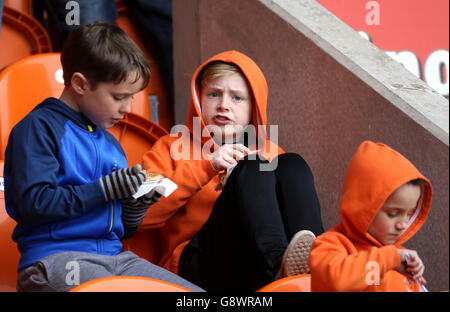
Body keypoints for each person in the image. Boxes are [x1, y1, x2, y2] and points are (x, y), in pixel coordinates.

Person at [3, 21, 202, 292]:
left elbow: (119, 226)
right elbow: (34, 204)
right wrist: (105, 190)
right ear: (80, 84)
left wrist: (136, 207)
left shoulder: (111, 144)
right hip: (55, 260)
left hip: (115, 259)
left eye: (132, 98)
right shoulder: (38, 128)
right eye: (119, 97)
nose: (128, 109)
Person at [139, 50, 325, 291]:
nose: (223, 105)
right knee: (254, 167)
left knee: (292, 164)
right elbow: (140, 214)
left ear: (253, 107)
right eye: (213, 94)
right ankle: (280, 268)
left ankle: (321, 264)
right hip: (194, 268)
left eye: (237, 98)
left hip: (251, 265)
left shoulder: (272, 152)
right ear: (199, 98)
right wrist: (207, 167)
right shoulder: (170, 147)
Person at [308, 140, 433, 292]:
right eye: (393, 214)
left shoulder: (395, 257)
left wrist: (417, 284)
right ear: (362, 206)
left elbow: (370, 277)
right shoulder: (331, 245)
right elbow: (340, 283)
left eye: (409, 213)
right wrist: (390, 258)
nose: (403, 224)